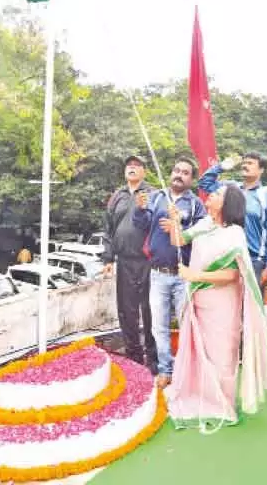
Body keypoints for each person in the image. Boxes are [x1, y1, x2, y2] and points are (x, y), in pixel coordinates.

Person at [166, 185, 267, 431]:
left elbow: (230, 274)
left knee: (221, 353)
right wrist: (175, 221)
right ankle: (199, 396)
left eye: (217, 194)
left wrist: (193, 275)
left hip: (222, 302)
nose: (211, 195)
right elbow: (178, 240)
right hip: (198, 300)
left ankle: (223, 403)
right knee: (198, 349)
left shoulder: (235, 233)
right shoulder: (205, 224)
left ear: (227, 204)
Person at [131, 157, 209, 390]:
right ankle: (166, 370)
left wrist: (179, 227)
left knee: (187, 324)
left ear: (191, 179)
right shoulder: (157, 197)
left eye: (185, 172)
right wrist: (139, 209)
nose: (179, 175)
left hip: (182, 275)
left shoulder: (195, 204)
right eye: (176, 170)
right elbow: (142, 224)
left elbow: (201, 235)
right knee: (158, 326)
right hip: (157, 273)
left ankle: (187, 370)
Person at [101, 155, 158, 373]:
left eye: (137, 166)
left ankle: (153, 360)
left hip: (148, 262)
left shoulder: (152, 194)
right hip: (124, 261)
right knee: (127, 311)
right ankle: (134, 359)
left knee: (150, 310)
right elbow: (108, 229)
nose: (132, 168)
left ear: (144, 171)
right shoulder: (117, 196)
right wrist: (108, 258)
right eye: (129, 166)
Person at [197, 153, 267, 288]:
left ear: (261, 169)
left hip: (253, 260)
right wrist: (220, 167)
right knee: (227, 305)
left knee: (251, 307)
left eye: (250, 163)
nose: (244, 165)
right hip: (226, 258)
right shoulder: (231, 189)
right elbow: (204, 183)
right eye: (244, 162)